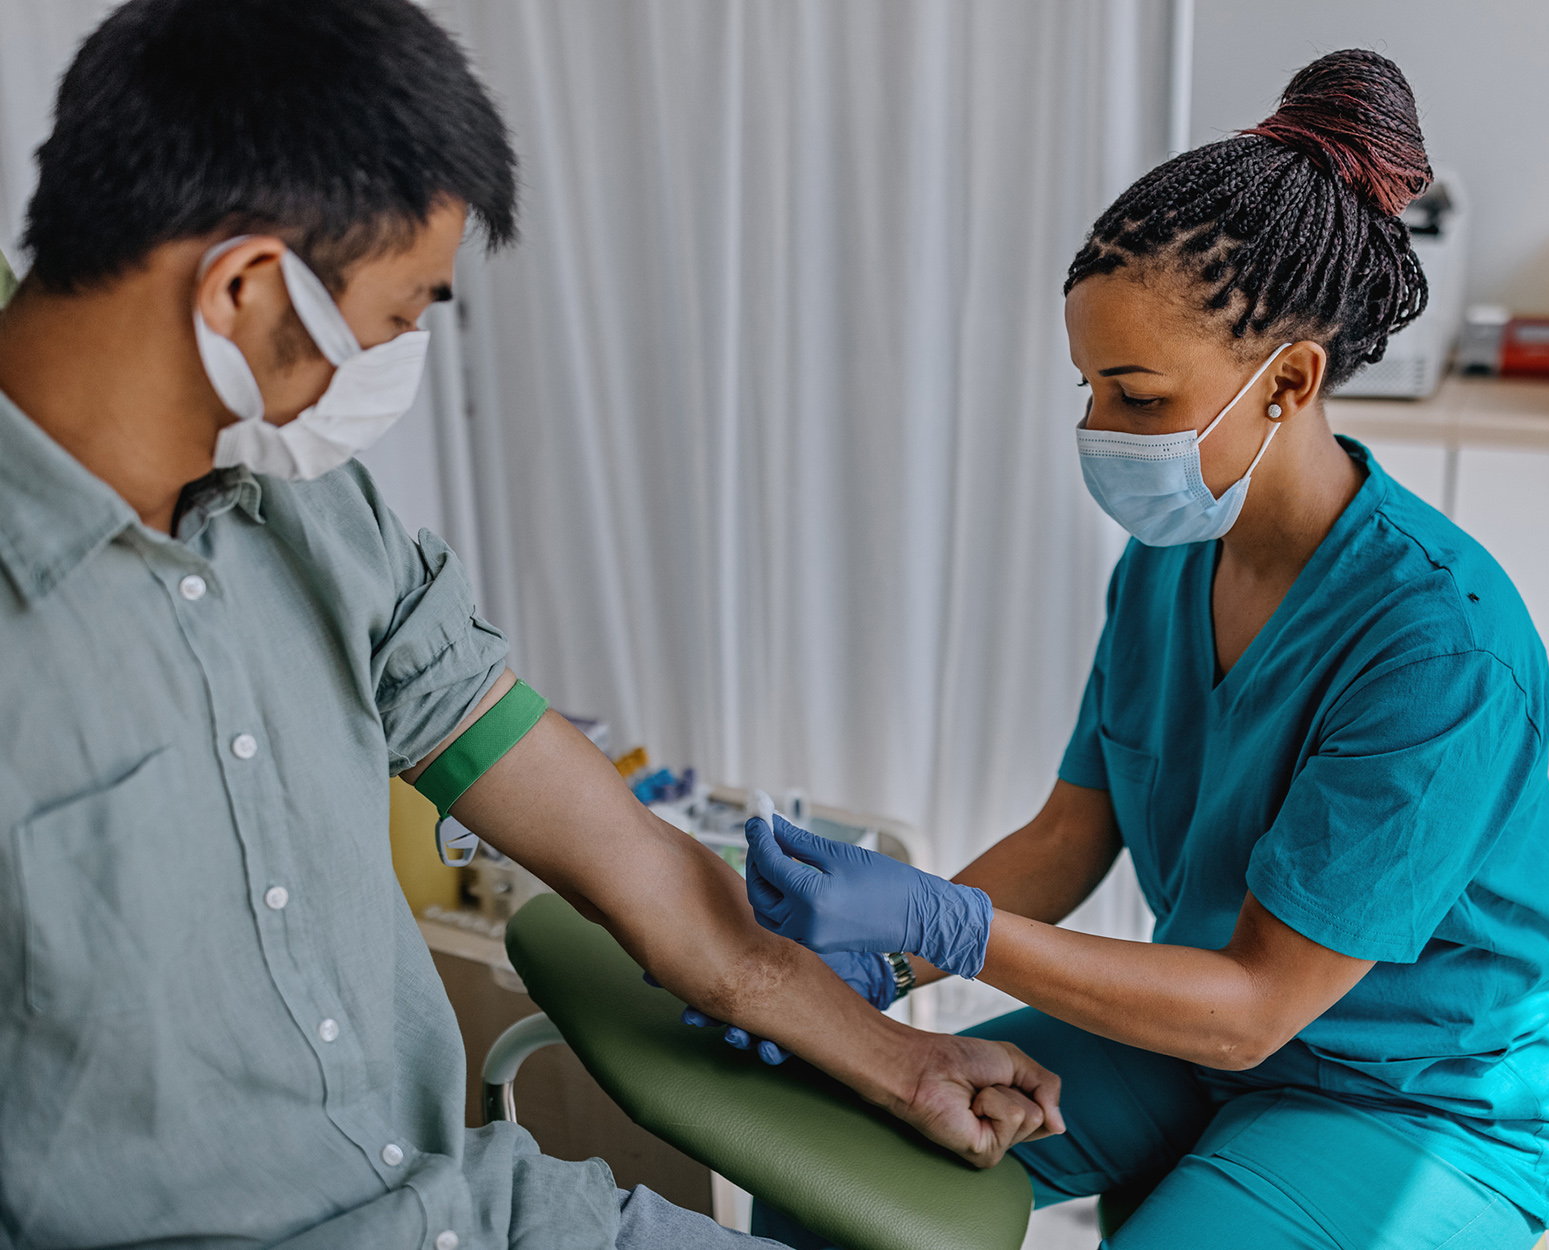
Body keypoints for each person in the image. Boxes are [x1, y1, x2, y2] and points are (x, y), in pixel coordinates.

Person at [0, 2, 1062, 1246]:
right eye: (398, 318)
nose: (392, 363)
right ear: (242, 287)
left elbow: (642, 876)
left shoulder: (319, 520)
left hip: (478, 1213)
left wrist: (903, 1059)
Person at [739, 51, 1549, 1250]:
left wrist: (948, 924)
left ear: (1288, 381)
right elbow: (1070, 833)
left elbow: (1254, 1008)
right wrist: (873, 968)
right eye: (1087, 389)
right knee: (832, 1152)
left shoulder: (1438, 645)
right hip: (1194, 1030)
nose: (1100, 431)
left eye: (1137, 397)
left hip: (1410, 1096)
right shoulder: (1172, 558)